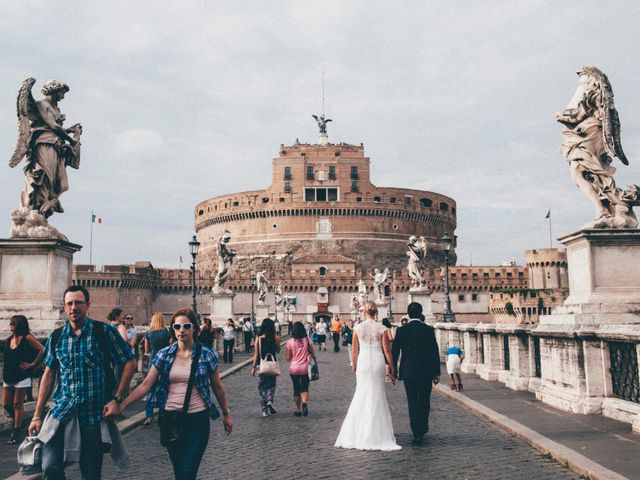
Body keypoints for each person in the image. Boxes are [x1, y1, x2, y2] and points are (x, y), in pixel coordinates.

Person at [107, 308, 233, 480]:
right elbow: (145, 385)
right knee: (180, 472)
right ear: (172, 329)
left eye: (186, 326)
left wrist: (226, 414)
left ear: (194, 328)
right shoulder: (164, 355)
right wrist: (121, 404)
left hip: (198, 421)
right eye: (177, 326)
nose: (182, 330)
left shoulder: (206, 354)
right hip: (171, 420)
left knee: (187, 472)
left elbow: (217, 386)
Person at [28, 285, 137, 479]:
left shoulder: (103, 332)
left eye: (78, 302)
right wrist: (37, 415)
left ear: (88, 305)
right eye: (69, 303)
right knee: (50, 466)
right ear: (64, 306)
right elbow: (49, 374)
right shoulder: (56, 337)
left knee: (90, 472)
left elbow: (130, 362)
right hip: (61, 411)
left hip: (93, 414)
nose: (73, 307)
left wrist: (117, 399)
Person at [335, 301, 400, 451]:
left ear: (364, 312)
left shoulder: (358, 328)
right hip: (377, 362)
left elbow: (354, 350)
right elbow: (387, 351)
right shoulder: (382, 328)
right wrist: (392, 367)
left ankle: (358, 431)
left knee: (362, 393)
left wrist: (355, 365)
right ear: (376, 313)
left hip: (363, 363)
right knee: (377, 394)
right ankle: (376, 432)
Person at [392, 302, 441, 446]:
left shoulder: (401, 331)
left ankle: (416, 432)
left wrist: (393, 370)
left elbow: (395, 352)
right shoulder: (428, 330)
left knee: (412, 401)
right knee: (425, 400)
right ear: (421, 314)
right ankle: (423, 426)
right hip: (426, 372)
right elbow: (434, 352)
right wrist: (436, 372)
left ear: (408, 314)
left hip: (408, 372)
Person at [2, 315, 44, 444]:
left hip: (22, 375)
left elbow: (42, 349)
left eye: (12, 323)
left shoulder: (27, 338)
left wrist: (32, 364)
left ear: (18, 325)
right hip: (9, 375)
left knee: (17, 404)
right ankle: (20, 421)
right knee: (6, 404)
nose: (10, 325)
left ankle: (15, 432)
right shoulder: (9, 340)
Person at [143, 312, 170, 426]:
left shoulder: (148, 333)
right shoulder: (166, 332)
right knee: (164, 389)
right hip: (164, 362)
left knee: (150, 389)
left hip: (153, 363)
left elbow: (146, 349)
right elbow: (170, 346)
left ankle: (149, 416)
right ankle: (162, 415)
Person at [251, 318, 281, 417]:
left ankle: (264, 410)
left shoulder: (258, 338)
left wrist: (253, 367)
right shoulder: (275, 337)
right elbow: (278, 350)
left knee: (261, 387)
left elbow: (256, 354)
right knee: (271, 385)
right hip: (272, 364)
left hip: (261, 365)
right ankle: (269, 400)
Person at [285, 322, 315, 417]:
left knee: (296, 388)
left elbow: (288, 358)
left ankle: (298, 409)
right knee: (305, 387)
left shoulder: (290, 342)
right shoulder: (308, 340)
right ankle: (304, 403)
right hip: (305, 368)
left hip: (294, 368)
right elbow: (312, 354)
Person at [382, 318, 395, 383]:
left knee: (385, 360)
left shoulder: (381, 329)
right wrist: (393, 338)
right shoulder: (388, 329)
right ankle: (387, 376)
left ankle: (386, 375)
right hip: (388, 345)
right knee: (388, 361)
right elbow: (390, 338)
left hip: (382, 345)